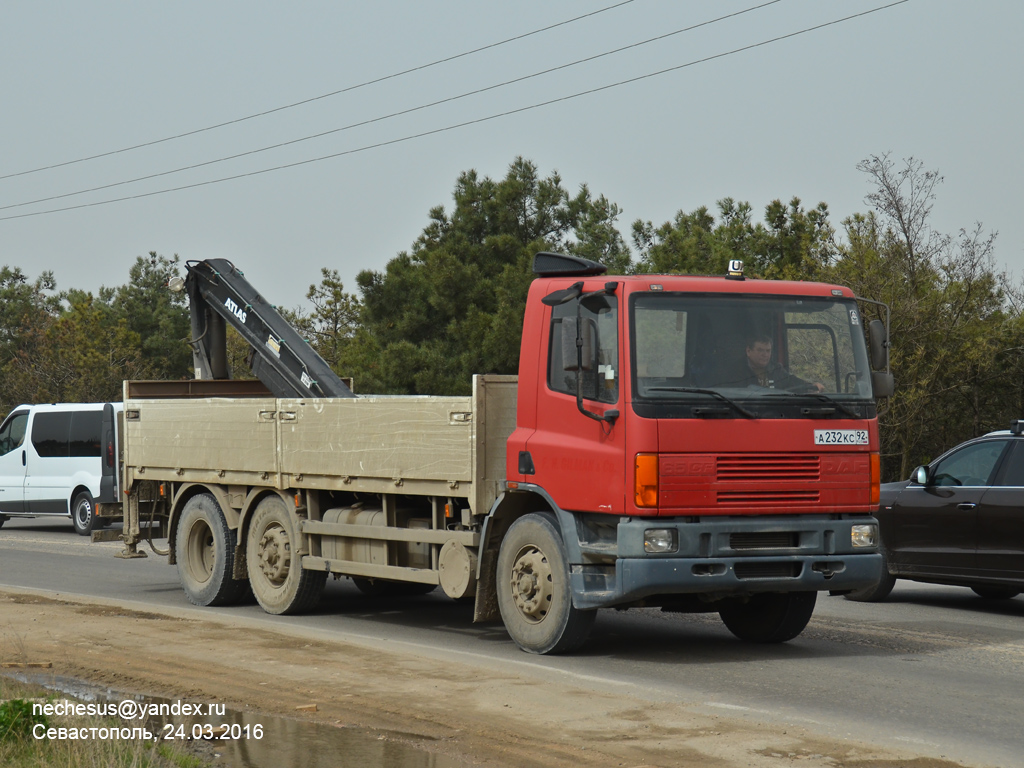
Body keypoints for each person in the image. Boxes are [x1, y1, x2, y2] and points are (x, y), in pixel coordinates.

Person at [728, 334, 825, 392]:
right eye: (760, 350)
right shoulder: (735, 371)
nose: (765, 354)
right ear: (748, 351)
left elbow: (791, 381)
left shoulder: (776, 369)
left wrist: (811, 386)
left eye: (768, 351)